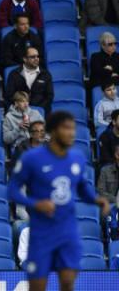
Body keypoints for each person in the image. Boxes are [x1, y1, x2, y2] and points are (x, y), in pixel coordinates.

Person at [8, 111, 111, 291]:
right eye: (66, 128)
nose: (72, 133)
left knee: (68, 283)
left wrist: (97, 200)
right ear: (53, 131)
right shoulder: (32, 158)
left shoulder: (77, 158)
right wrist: (35, 204)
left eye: (73, 128)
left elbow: (82, 189)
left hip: (67, 230)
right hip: (41, 232)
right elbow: (12, 190)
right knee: (38, 287)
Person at [4, 47, 53, 114]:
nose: (36, 59)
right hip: (19, 113)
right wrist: (20, 109)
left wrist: (37, 110)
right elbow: (9, 96)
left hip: (40, 112)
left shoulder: (45, 74)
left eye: (37, 56)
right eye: (32, 57)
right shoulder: (14, 74)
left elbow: (49, 96)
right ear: (25, 59)